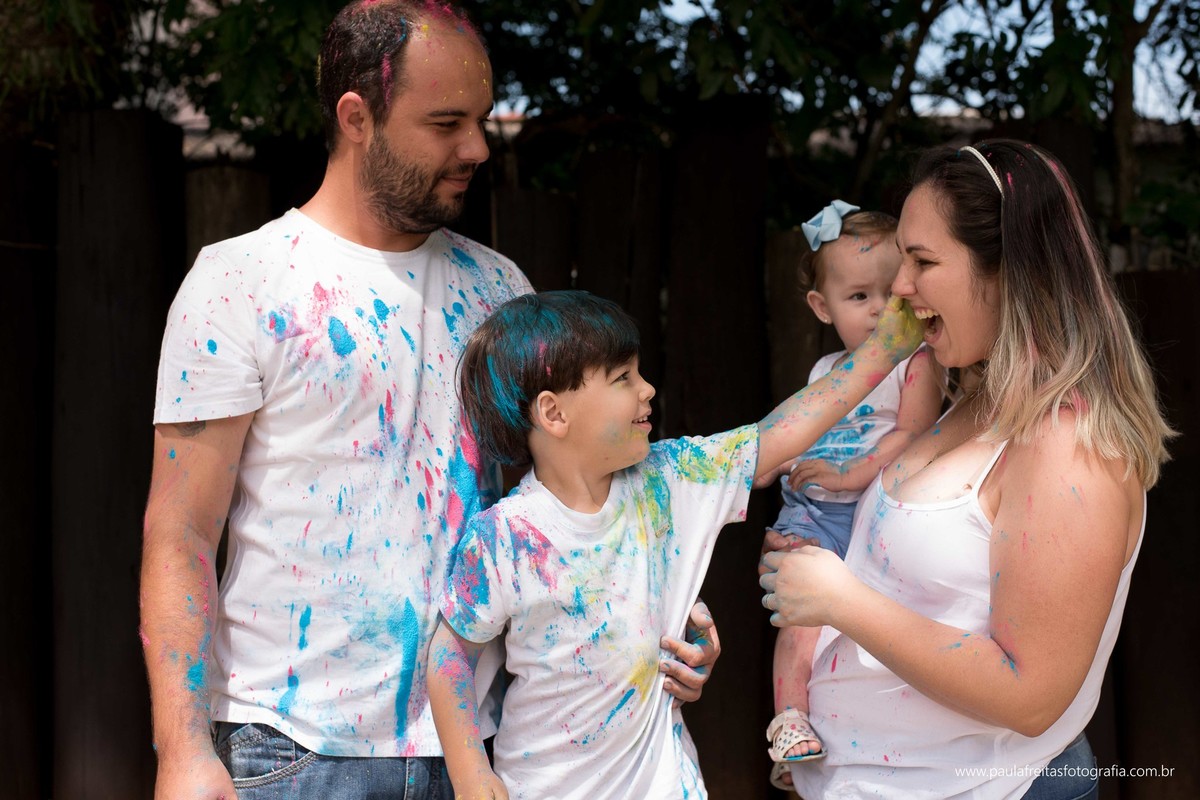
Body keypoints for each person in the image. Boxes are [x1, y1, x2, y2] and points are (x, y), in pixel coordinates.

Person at [139, 3, 717, 799]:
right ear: (357, 118)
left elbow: (565, 501)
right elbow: (180, 534)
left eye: (479, 120)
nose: (476, 147)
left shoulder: (502, 290)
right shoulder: (237, 283)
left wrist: (660, 597)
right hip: (290, 751)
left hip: (484, 750)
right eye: (446, 122)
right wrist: (182, 748)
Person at [759, 139, 1175, 799]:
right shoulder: (966, 402)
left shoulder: (1069, 446)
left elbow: (1029, 694)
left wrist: (840, 600)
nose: (900, 287)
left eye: (922, 261)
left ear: (1011, 270)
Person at [426, 289, 926, 800]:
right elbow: (449, 655)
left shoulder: (670, 478)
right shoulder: (503, 537)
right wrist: (470, 772)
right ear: (554, 414)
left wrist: (885, 347)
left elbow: (778, 434)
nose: (647, 389)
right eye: (623, 378)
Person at [763, 201, 944, 790]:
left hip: (870, 513)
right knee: (800, 620)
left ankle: (858, 741)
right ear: (822, 307)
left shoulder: (915, 362)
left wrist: (847, 476)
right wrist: (785, 460)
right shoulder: (824, 371)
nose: (876, 313)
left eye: (887, 296)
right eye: (857, 298)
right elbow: (806, 433)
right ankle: (792, 723)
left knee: (867, 630)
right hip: (815, 513)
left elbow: (910, 433)